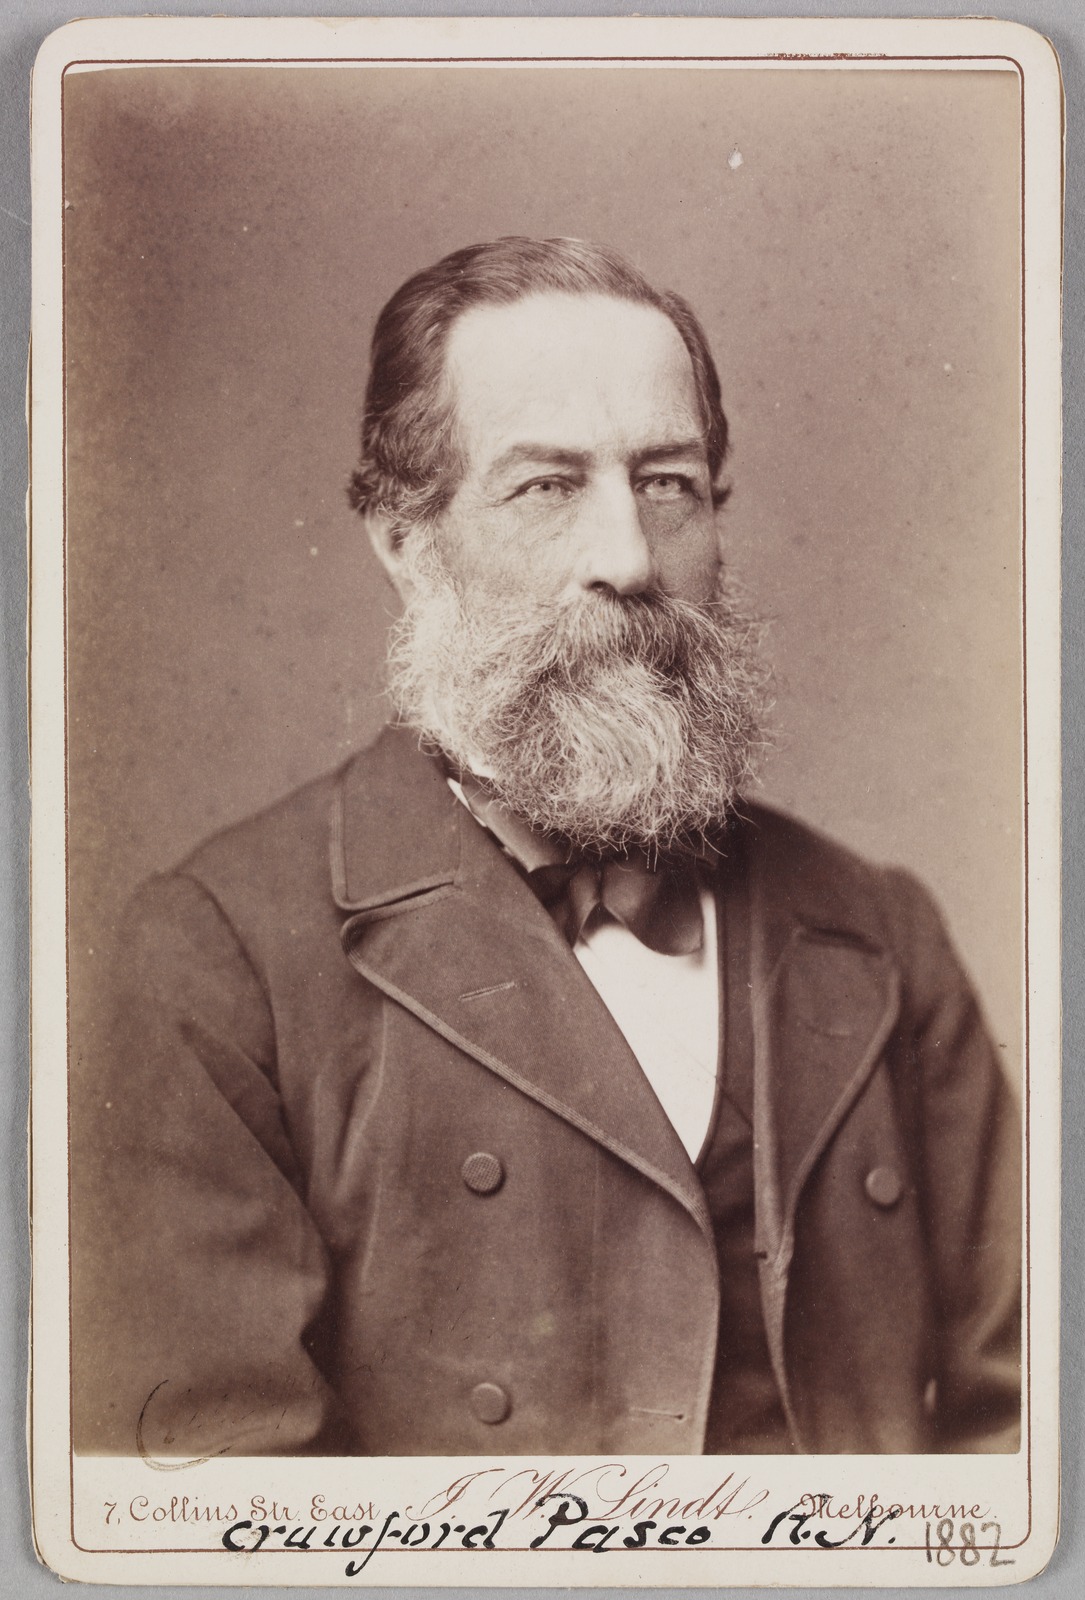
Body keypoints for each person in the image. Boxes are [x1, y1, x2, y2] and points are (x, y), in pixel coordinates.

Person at [74, 236, 1020, 1459]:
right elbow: (225, 1509)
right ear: (406, 543)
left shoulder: (881, 931)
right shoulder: (218, 961)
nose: (627, 558)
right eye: (546, 487)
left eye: (667, 482)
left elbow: (1033, 1431)